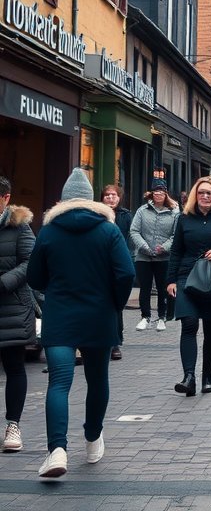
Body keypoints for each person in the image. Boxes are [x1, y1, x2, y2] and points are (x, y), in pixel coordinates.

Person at [26, 167, 134, 480]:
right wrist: (114, 303)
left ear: (63, 200)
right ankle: (92, 439)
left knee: (59, 382)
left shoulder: (49, 231)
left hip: (60, 315)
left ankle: (57, 450)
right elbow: (126, 273)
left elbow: (34, 277)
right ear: (90, 200)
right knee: (97, 379)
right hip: (99, 314)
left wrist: (54, 288)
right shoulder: (108, 230)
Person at [167, 176, 211, 396]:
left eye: (210, 193)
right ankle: (189, 377)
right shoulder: (184, 219)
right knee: (189, 324)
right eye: (202, 192)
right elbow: (176, 250)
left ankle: (207, 375)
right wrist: (170, 280)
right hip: (186, 277)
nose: (205, 196)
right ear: (195, 195)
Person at [0, 176, 35, 453]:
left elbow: (30, 263)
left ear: (6, 199)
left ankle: (13, 425)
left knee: (14, 366)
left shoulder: (19, 226)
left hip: (11, 306)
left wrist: (4, 282)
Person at [129, 179, 179, 331]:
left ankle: (162, 317)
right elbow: (134, 231)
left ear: (166, 194)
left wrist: (163, 248)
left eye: (161, 192)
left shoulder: (174, 212)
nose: (158, 195)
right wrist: (144, 247)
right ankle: (145, 317)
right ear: (151, 193)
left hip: (164, 257)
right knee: (145, 287)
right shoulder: (142, 210)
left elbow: (176, 234)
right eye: (156, 192)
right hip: (144, 257)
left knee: (163, 287)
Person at [100, 184, 133, 361]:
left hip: (117, 264)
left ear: (119, 198)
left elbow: (129, 238)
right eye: (107, 195)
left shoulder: (125, 216)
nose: (110, 198)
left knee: (116, 305)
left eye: (113, 195)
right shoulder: (96, 215)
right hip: (99, 265)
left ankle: (115, 343)